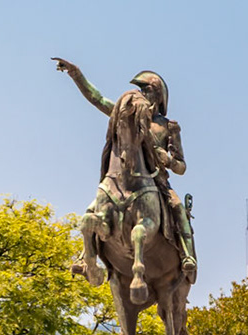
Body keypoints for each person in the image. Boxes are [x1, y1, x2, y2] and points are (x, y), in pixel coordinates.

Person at [53, 58, 196, 289]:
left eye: (146, 89)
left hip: (155, 181)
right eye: (140, 89)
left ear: (158, 95)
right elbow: (97, 99)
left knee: (178, 206)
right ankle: (85, 257)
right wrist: (76, 74)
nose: (140, 93)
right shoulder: (126, 114)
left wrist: (166, 158)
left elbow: (181, 166)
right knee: (93, 208)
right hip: (123, 180)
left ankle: (188, 255)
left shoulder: (168, 126)